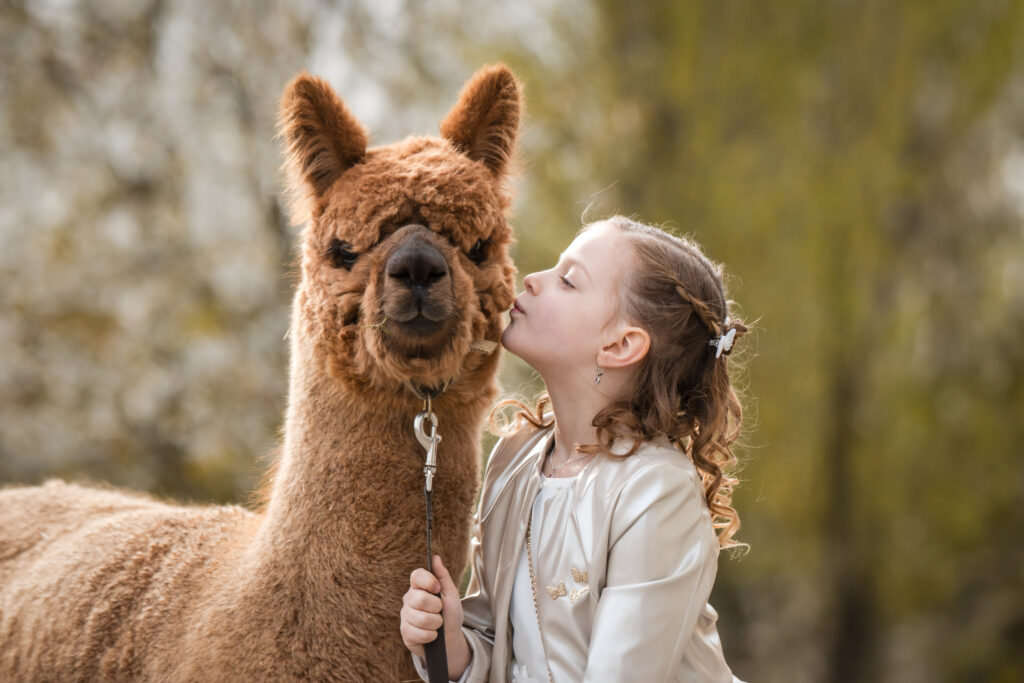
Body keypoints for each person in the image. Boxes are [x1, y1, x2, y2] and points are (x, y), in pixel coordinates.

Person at [400, 215, 749, 682]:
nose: (532, 279)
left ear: (620, 344)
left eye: (567, 281)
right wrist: (453, 643)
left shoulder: (655, 493)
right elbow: (501, 655)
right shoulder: (515, 462)